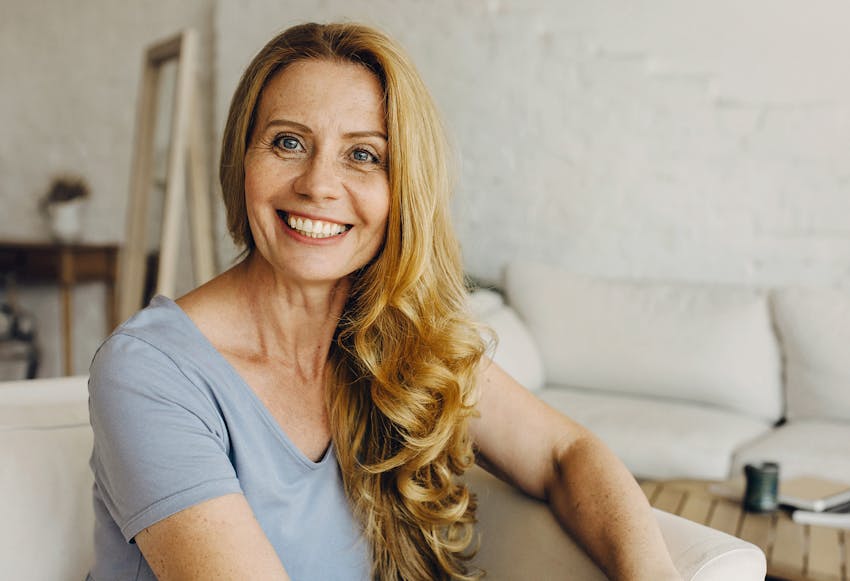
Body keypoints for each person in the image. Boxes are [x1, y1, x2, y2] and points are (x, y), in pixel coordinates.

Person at [87, 22, 682, 581]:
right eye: (288, 142)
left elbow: (564, 454)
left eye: (363, 154)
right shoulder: (150, 370)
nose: (318, 184)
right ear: (242, 160)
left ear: (403, 189)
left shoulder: (399, 339)